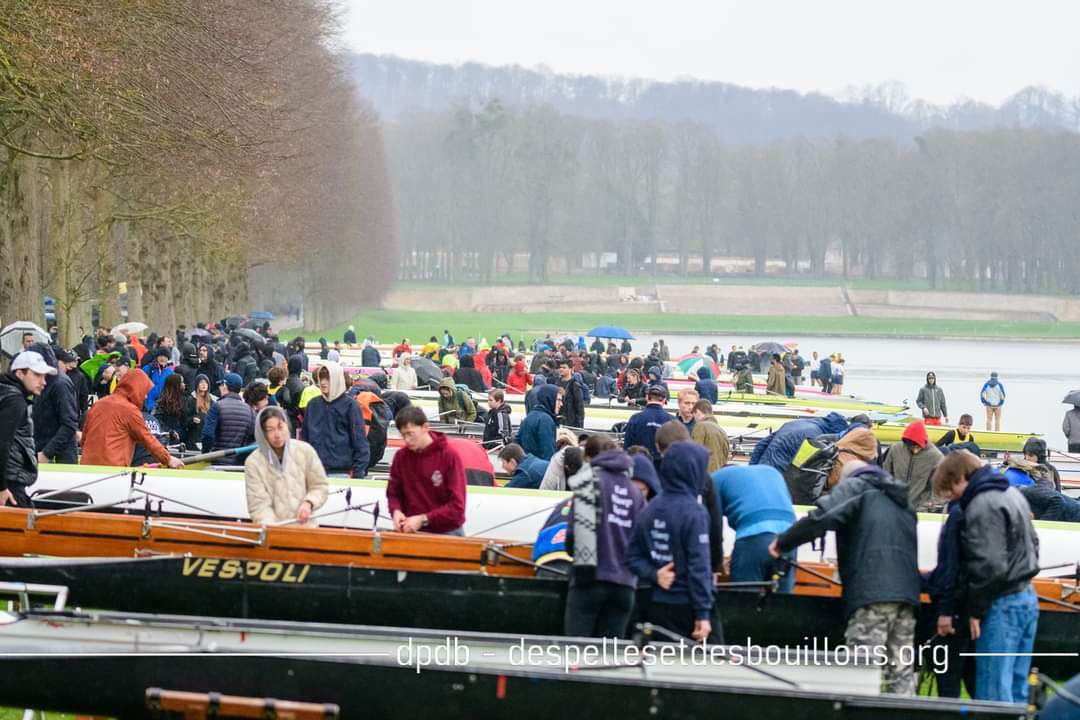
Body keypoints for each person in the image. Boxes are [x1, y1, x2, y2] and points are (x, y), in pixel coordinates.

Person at [772, 461, 920, 696]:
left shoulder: (857, 487)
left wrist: (783, 542)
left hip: (872, 594)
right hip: (906, 595)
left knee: (861, 673)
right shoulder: (901, 499)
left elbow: (823, 515)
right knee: (900, 674)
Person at [930, 450, 1040, 703]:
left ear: (960, 478)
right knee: (1016, 689)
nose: (952, 497)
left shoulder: (981, 504)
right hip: (1027, 596)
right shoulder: (1011, 493)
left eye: (950, 489)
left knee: (993, 693)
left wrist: (975, 611)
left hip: (1001, 604)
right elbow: (1033, 544)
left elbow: (989, 566)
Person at [627, 441, 718, 642]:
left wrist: (653, 574)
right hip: (687, 606)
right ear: (691, 471)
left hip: (653, 603)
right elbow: (699, 565)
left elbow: (632, 556)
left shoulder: (649, 509)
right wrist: (703, 613)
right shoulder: (695, 513)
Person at [564, 441, 645, 638]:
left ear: (591, 458)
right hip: (625, 587)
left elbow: (573, 537)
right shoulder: (636, 492)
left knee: (576, 654)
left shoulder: (590, 482)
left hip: (590, 580)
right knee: (609, 660)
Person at [712, 464, 796, 592]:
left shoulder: (715, 479)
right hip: (789, 535)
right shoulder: (771, 471)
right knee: (782, 604)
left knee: (745, 605)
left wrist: (717, 563)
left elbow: (713, 528)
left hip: (753, 535)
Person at [81, 368, 184, 470]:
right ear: (137, 389)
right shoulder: (130, 411)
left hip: (87, 468)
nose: (145, 396)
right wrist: (168, 459)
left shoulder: (98, 404)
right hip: (112, 470)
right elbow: (148, 439)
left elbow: (84, 438)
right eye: (144, 391)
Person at [386, 406, 466, 534]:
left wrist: (424, 519)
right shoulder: (401, 457)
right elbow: (393, 493)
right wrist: (396, 511)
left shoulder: (449, 456)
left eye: (411, 434)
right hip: (411, 531)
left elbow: (457, 506)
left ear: (425, 427)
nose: (407, 440)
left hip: (447, 533)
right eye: (403, 435)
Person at [244, 406, 329, 527]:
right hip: (274, 534)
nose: (277, 434)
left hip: (307, 529)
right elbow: (258, 505)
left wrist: (309, 503)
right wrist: (273, 530)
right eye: (270, 429)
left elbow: (320, 485)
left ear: (287, 426)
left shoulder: (305, 451)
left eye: (280, 427)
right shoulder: (253, 462)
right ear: (263, 433)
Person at [0, 351, 55, 505]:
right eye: (37, 375)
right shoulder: (14, 400)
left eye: (44, 376)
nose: (43, 382)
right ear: (19, 373)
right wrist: (1, 487)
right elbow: (2, 442)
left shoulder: (6, 393)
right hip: (9, 482)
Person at [303, 361, 369, 478]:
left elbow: (360, 443)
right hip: (314, 472)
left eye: (327, 379)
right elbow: (305, 440)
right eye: (321, 378)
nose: (323, 383)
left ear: (337, 379)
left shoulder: (351, 406)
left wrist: (358, 475)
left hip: (341, 472)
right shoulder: (313, 405)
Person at [749, 412, 849, 472]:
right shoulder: (818, 438)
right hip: (781, 476)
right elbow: (806, 468)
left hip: (762, 467)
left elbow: (761, 445)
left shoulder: (795, 422)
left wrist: (753, 469)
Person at [882, 420, 945, 512]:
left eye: (918, 447)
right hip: (894, 505)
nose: (915, 450)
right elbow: (886, 475)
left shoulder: (936, 457)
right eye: (912, 447)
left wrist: (932, 504)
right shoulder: (895, 449)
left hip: (921, 509)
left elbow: (942, 485)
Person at [30, 347, 78, 465]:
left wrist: (47, 453)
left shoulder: (60, 384)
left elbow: (69, 423)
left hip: (58, 455)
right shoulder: (44, 382)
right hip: (43, 448)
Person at [201, 372, 255, 461]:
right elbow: (252, 439)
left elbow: (208, 434)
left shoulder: (217, 406)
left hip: (217, 463)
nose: (219, 387)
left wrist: (206, 455)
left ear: (225, 386)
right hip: (238, 467)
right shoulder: (249, 410)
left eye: (221, 384)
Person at [622, 385, 675, 459]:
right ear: (664, 400)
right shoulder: (672, 420)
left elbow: (627, 447)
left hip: (640, 464)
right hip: (664, 466)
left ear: (647, 397)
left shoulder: (636, 418)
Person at [515, 384, 559, 461]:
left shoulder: (529, 416)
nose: (561, 404)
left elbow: (517, 442)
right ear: (550, 399)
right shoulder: (546, 420)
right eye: (558, 400)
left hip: (528, 465)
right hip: (540, 468)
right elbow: (548, 453)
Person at [153, 374, 195, 448]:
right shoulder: (162, 402)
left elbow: (184, 422)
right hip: (167, 439)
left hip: (182, 439)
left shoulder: (185, 399)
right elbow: (157, 420)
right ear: (176, 385)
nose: (184, 384)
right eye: (182, 382)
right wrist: (170, 431)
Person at [690, 400, 730, 473]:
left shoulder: (700, 426)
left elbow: (695, 453)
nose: (694, 420)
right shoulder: (722, 431)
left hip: (704, 476)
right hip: (719, 475)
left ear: (697, 412)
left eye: (694, 415)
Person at [556, 360, 585, 430]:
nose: (561, 369)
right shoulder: (556, 383)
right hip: (557, 420)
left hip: (570, 422)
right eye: (560, 367)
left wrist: (579, 425)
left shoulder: (574, 385)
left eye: (564, 367)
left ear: (571, 369)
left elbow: (579, 406)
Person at [143, 348, 174, 414]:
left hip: (162, 408)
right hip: (147, 405)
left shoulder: (170, 372)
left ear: (168, 359)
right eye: (160, 356)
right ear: (157, 357)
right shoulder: (148, 369)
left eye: (165, 356)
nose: (162, 358)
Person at [189, 374, 215, 449]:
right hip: (194, 436)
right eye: (201, 382)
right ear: (197, 384)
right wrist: (192, 420)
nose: (204, 385)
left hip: (207, 436)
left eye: (206, 383)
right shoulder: (191, 400)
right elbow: (185, 419)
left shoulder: (212, 401)